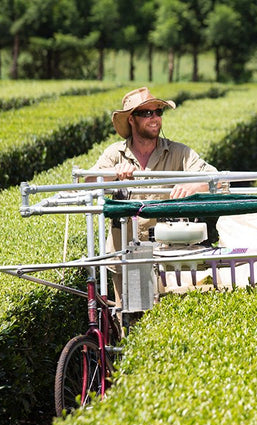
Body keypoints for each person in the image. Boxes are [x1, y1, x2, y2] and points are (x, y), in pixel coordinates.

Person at [87, 87, 222, 304]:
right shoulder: (115, 154)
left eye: (158, 112)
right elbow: (88, 185)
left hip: (169, 255)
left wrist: (194, 186)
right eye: (147, 113)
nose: (155, 119)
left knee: (167, 320)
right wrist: (113, 176)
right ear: (131, 119)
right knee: (131, 317)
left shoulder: (179, 153)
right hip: (127, 255)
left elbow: (216, 178)